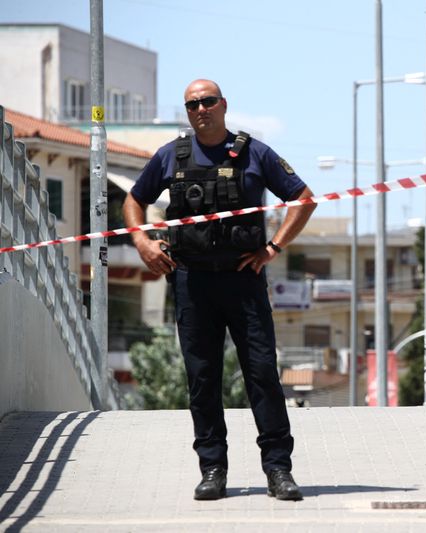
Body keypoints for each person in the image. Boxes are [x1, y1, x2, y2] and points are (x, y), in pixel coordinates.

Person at [122, 79, 315, 502]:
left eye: (208, 101)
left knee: (262, 374)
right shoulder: (171, 155)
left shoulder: (254, 153)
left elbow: (303, 198)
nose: (201, 109)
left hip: (243, 280)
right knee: (203, 379)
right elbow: (133, 201)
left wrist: (272, 247)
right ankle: (212, 469)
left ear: (223, 104)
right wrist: (142, 242)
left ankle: (278, 470)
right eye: (192, 104)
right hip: (191, 282)